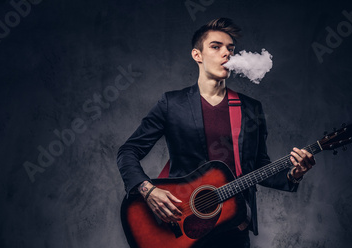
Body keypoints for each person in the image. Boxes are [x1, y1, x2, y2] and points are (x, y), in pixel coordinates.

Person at [117, 17, 315, 248]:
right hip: (182, 226)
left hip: (233, 228)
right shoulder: (172, 103)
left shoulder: (251, 109)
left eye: (231, 49)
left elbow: (259, 166)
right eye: (216, 47)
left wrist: (294, 174)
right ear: (197, 55)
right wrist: (148, 190)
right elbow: (128, 151)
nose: (226, 54)